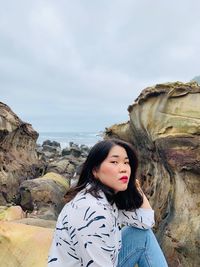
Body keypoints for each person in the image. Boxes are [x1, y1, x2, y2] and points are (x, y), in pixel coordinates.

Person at [48, 139, 168, 267]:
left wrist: (134, 185)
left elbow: (146, 222)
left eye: (126, 163)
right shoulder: (92, 210)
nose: (123, 169)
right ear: (95, 170)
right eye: (114, 162)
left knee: (142, 236)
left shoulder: (106, 198)